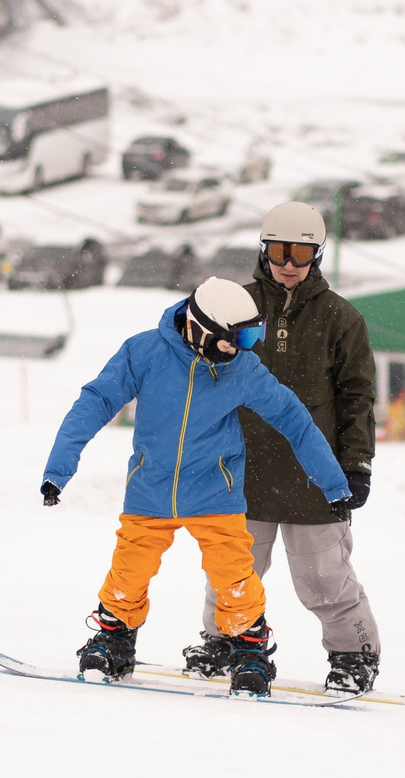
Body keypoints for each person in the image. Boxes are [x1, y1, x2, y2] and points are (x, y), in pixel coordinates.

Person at [42, 277, 352, 697]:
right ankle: (113, 637)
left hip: (214, 493)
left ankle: (247, 648)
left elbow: (293, 420)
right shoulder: (145, 352)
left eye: (252, 336)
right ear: (203, 329)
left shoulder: (240, 368)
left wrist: (334, 484)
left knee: (234, 575)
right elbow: (96, 401)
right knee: (129, 571)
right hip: (151, 490)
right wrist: (58, 470)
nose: (245, 348)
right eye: (237, 338)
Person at [184, 201, 384, 695]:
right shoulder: (237, 307)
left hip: (314, 473)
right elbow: (201, 379)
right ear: (264, 251)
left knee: (322, 579)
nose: (287, 263)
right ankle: (222, 643)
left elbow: (357, 397)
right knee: (232, 569)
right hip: (241, 468)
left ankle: (353, 655)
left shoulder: (342, 319)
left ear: (316, 256)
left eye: (299, 252)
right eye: (278, 250)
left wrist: (356, 464)